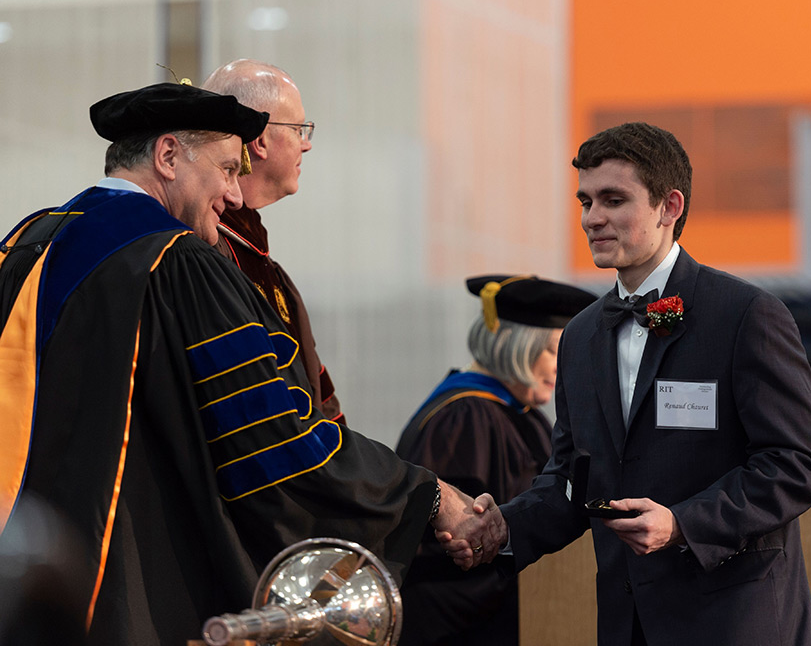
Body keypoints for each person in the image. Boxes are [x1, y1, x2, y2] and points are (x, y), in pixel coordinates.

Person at [0, 82, 497, 646]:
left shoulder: (26, 242)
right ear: (167, 156)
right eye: (226, 169)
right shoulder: (177, 262)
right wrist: (421, 494)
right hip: (125, 589)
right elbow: (273, 443)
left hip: (22, 578)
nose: (235, 196)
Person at [453, 122, 811, 645]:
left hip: (737, 622)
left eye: (613, 199)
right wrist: (505, 528)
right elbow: (570, 479)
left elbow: (797, 465)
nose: (592, 218)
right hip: (628, 625)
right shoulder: (581, 335)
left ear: (669, 207)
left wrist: (681, 524)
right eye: (585, 201)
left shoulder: (746, 315)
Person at [395, 274, 597, 645]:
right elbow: (449, 546)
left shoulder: (523, 415)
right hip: (462, 629)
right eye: (553, 351)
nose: (561, 368)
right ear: (517, 346)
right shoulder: (465, 417)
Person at [201, 59, 342, 422]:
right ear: (260, 140)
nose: (306, 145)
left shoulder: (261, 260)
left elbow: (319, 402)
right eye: (299, 129)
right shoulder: (206, 250)